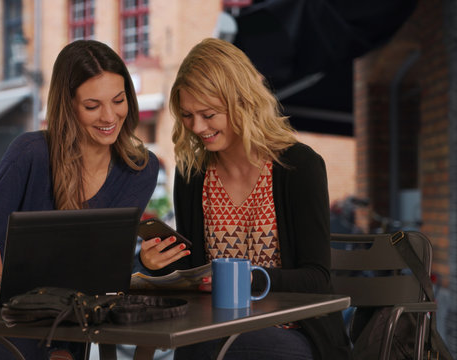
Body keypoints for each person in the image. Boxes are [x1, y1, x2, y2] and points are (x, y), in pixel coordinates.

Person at [0, 39, 159, 360]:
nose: (109, 116)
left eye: (118, 100)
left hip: (63, 328)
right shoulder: (29, 153)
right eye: (92, 106)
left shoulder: (139, 169)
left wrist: (144, 263)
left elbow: (102, 277)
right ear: (68, 106)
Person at [139, 38, 351, 359]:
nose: (197, 127)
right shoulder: (193, 175)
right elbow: (193, 273)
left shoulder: (298, 166)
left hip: (293, 331)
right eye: (187, 115)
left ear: (242, 101)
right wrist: (155, 265)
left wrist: (251, 279)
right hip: (212, 330)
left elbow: (317, 278)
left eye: (208, 114)